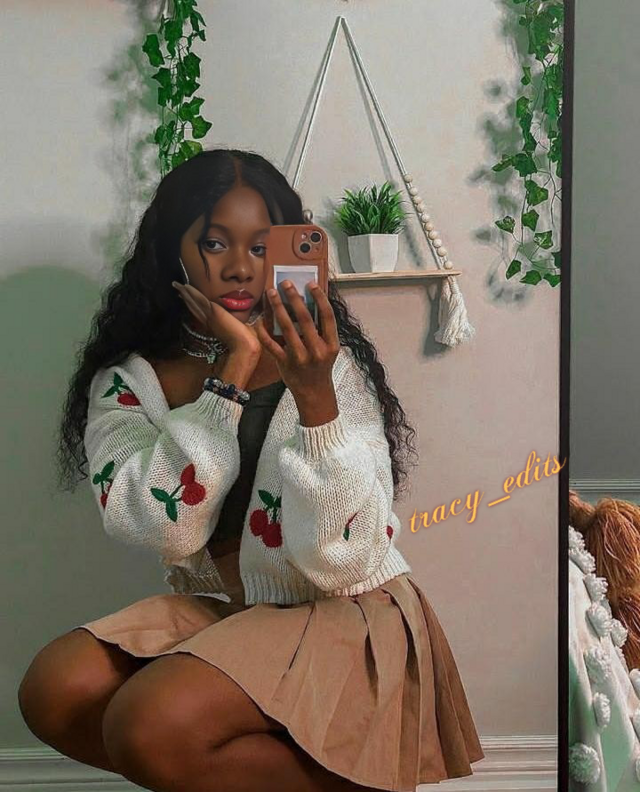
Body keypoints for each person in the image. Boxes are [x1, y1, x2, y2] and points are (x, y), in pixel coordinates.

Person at [17, 148, 484, 792]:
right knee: (55, 690)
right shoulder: (128, 383)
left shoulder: (325, 363)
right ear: (174, 249)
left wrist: (316, 400)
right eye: (214, 243)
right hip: (232, 608)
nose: (240, 267)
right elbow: (168, 529)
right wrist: (230, 375)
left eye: (262, 247)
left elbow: (346, 560)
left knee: (149, 725)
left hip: (343, 610)